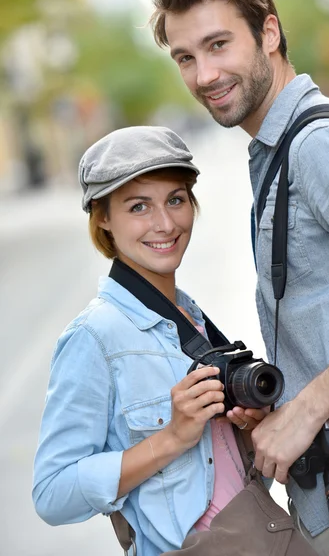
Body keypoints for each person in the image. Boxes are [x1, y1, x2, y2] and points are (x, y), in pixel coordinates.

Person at [150, 0, 329, 553]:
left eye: (218, 44)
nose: (204, 74)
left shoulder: (319, 147)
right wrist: (280, 406)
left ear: (267, 33)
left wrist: (307, 409)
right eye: (185, 57)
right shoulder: (276, 152)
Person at [32, 125, 266, 556]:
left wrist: (248, 429)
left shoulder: (191, 319)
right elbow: (51, 491)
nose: (165, 223)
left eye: (175, 200)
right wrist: (173, 438)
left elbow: (219, 475)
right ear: (102, 217)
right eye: (139, 206)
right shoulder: (94, 337)